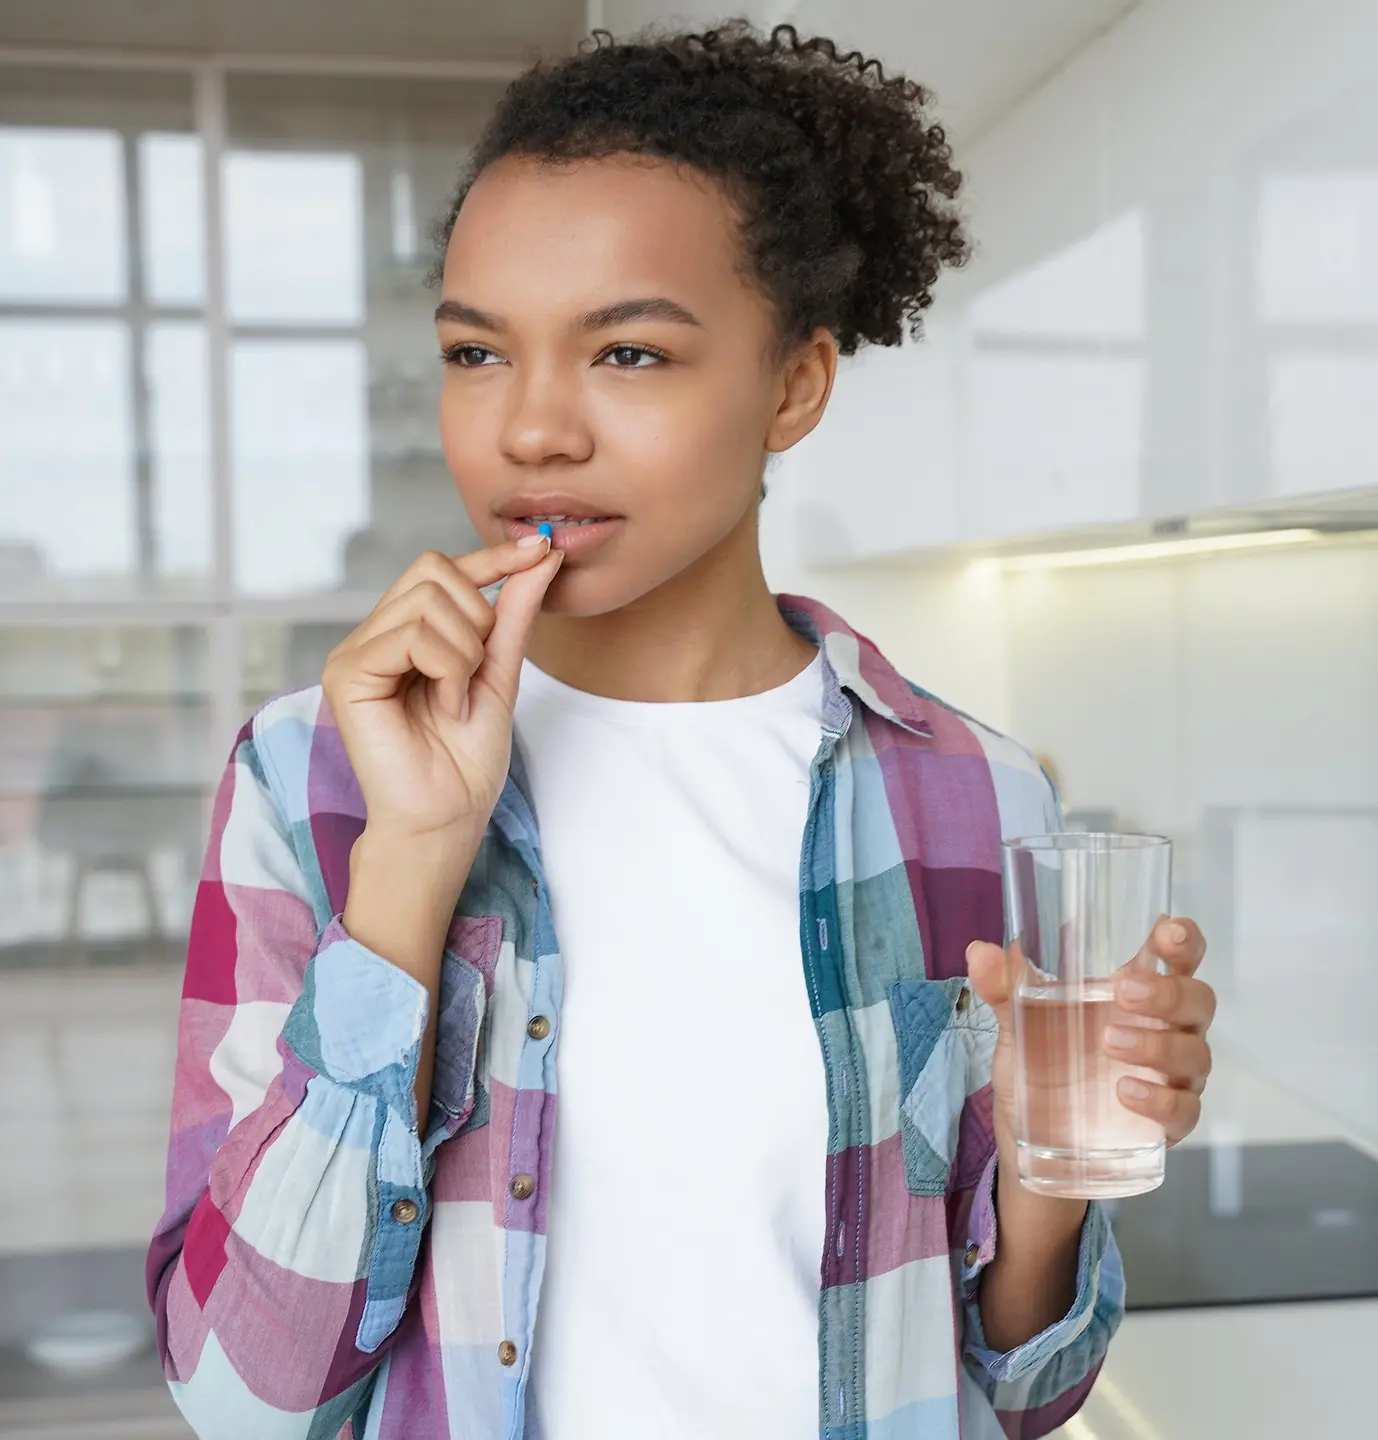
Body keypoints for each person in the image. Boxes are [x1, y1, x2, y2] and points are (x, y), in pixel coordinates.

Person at [146, 22, 1215, 1440]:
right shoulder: (311, 779)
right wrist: (408, 867)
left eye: (628, 353)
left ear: (794, 385)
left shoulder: (974, 796)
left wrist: (1049, 1173)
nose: (529, 430)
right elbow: (241, 1395)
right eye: (477, 351)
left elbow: (1022, 1387)